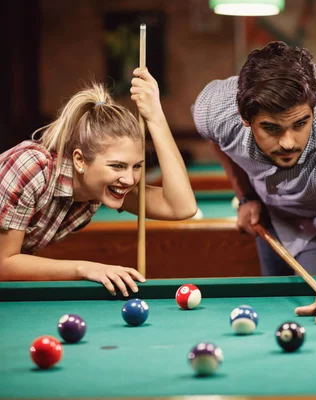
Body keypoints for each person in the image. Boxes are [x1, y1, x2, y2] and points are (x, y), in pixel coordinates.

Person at [191, 41, 316, 322]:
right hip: (270, 218)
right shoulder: (218, 110)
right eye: (271, 128)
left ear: (313, 109)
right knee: (274, 311)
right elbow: (214, 137)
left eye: (299, 124)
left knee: (315, 308)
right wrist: (245, 196)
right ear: (246, 118)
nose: (288, 142)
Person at [0, 68, 197, 295]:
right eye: (117, 166)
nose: (129, 179)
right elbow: (5, 263)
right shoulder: (33, 167)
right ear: (80, 160)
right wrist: (86, 268)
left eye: (137, 166)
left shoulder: (97, 186)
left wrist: (156, 118)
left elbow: (182, 207)